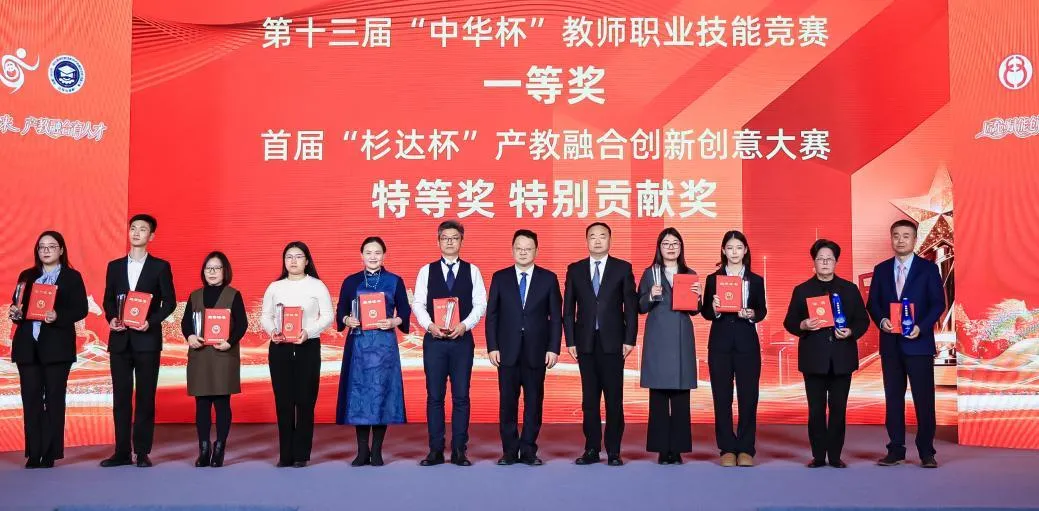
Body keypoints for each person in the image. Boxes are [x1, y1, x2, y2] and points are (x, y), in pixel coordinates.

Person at [782, 239, 869, 468]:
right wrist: (803, 325)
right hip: (814, 359)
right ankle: (819, 456)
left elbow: (863, 320)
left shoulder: (849, 289)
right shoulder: (802, 290)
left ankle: (835, 456)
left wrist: (851, 331)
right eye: (820, 259)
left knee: (839, 410)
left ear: (836, 262)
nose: (825, 262)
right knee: (816, 410)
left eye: (829, 259)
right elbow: (789, 321)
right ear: (814, 262)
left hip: (842, 358)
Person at [867, 220, 946, 469]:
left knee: (924, 400)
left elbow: (938, 304)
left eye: (906, 236)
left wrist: (921, 326)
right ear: (891, 238)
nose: (900, 240)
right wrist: (882, 320)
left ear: (914, 240)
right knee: (893, 399)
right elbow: (873, 303)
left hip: (919, 344)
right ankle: (895, 449)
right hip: (891, 345)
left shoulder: (928, 269)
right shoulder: (881, 269)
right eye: (896, 235)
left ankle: (927, 452)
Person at [100, 214, 176, 468]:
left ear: (151, 236)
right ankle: (121, 451)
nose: (136, 233)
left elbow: (170, 302)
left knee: (145, 397)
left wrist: (151, 322)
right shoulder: (114, 266)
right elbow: (108, 299)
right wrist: (112, 318)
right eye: (133, 228)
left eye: (142, 229)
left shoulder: (160, 267)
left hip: (147, 341)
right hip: (120, 340)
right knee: (120, 397)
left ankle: (142, 451)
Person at [8, 231, 88, 469]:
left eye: (51, 246)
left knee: (54, 400)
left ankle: (50, 453)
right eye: (42, 246)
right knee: (31, 400)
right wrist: (15, 313)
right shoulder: (27, 275)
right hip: (28, 347)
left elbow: (81, 309)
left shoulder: (72, 277)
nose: (46, 250)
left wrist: (58, 316)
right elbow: (18, 305)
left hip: (57, 349)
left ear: (61, 250)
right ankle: (34, 453)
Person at [412, 220, 487, 466]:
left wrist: (464, 325)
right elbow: (418, 304)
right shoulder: (426, 270)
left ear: (461, 241)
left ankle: (459, 450)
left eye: (454, 238)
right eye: (445, 238)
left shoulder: (472, 271)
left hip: (462, 341)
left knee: (461, 396)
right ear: (438, 241)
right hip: (434, 342)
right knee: (435, 397)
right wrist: (429, 325)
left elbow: (480, 304)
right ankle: (435, 450)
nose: (450, 242)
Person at [485, 229, 562, 466]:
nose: (523, 252)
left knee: (533, 402)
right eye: (519, 248)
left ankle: (528, 450)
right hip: (506, 351)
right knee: (507, 402)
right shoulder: (500, 277)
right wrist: (492, 346)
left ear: (536, 251)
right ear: (512, 250)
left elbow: (555, 317)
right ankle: (509, 451)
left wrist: (553, 348)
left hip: (536, 351)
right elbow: (492, 315)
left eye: (528, 249)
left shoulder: (548, 279)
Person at [563, 222, 637, 466]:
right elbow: (568, 309)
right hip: (584, 343)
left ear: (609, 240)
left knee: (614, 399)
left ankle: (614, 451)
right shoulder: (575, 269)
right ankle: (592, 449)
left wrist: (629, 339)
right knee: (589, 400)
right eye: (592, 236)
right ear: (586, 241)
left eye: (602, 236)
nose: (597, 241)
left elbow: (630, 308)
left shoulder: (622, 268)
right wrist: (570, 340)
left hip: (613, 344)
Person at [335, 237, 411, 467]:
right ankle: (362, 451)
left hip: (384, 345)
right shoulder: (351, 281)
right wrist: (347, 319)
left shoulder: (395, 281)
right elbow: (341, 310)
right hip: (358, 345)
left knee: (381, 395)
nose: (373, 256)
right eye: (368, 252)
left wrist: (393, 321)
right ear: (361, 255)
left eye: (377, 252)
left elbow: (405, 311)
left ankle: (377, 451)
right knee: (360, 396)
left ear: (384, 255)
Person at [260, 241, 333, 468]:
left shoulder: (317, 286)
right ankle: (285, 454)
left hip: (307, 346)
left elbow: (328, 316)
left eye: (298, 256)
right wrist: (272, 331)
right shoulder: (275, 287)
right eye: (289, 257)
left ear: (307, 261)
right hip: (280, 348)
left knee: (305, 401)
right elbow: (265, 316)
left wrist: (308, 331)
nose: (293, 261)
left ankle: (301, 454)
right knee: (283, 401)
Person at [702, 230, 766, 468]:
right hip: (719, 344)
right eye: (730, 248)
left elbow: (762, 310)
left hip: (747, 344)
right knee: (722, 397)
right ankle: (727, 447)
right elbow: (706, 312)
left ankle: (746, 448)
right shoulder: (713, 279)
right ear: (723, 251)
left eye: (739, 247)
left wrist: (751, 314)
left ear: (745, 250)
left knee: (748, 397)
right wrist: (714, 308)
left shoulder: (755, 280)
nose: (734, 252)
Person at [637, 228, 701, 465]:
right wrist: (650, 295)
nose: (671, 247)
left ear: (681, 248)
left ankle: (679, 449)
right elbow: (639, 306)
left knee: (681, 396)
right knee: (659, 396)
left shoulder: (689, 273)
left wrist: (699, 296)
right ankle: (662, 449)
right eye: (666, 243)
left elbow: (695, 310)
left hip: (682, 338)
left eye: (675, 243)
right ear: (659, 247)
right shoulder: (650, 273)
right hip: (658, 339)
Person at [180, 251, 247, 468]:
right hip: (200, 354)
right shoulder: (195, 295)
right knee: (201, 404)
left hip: (223, 354)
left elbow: (242, 324)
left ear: (225, 271)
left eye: (217, 268)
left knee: (221, 402)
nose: (212, 272)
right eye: (208, 268)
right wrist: (190, 336)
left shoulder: (233, 295)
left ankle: (219, 448)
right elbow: (185, 323)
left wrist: (230, 341)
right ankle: (203, 449)